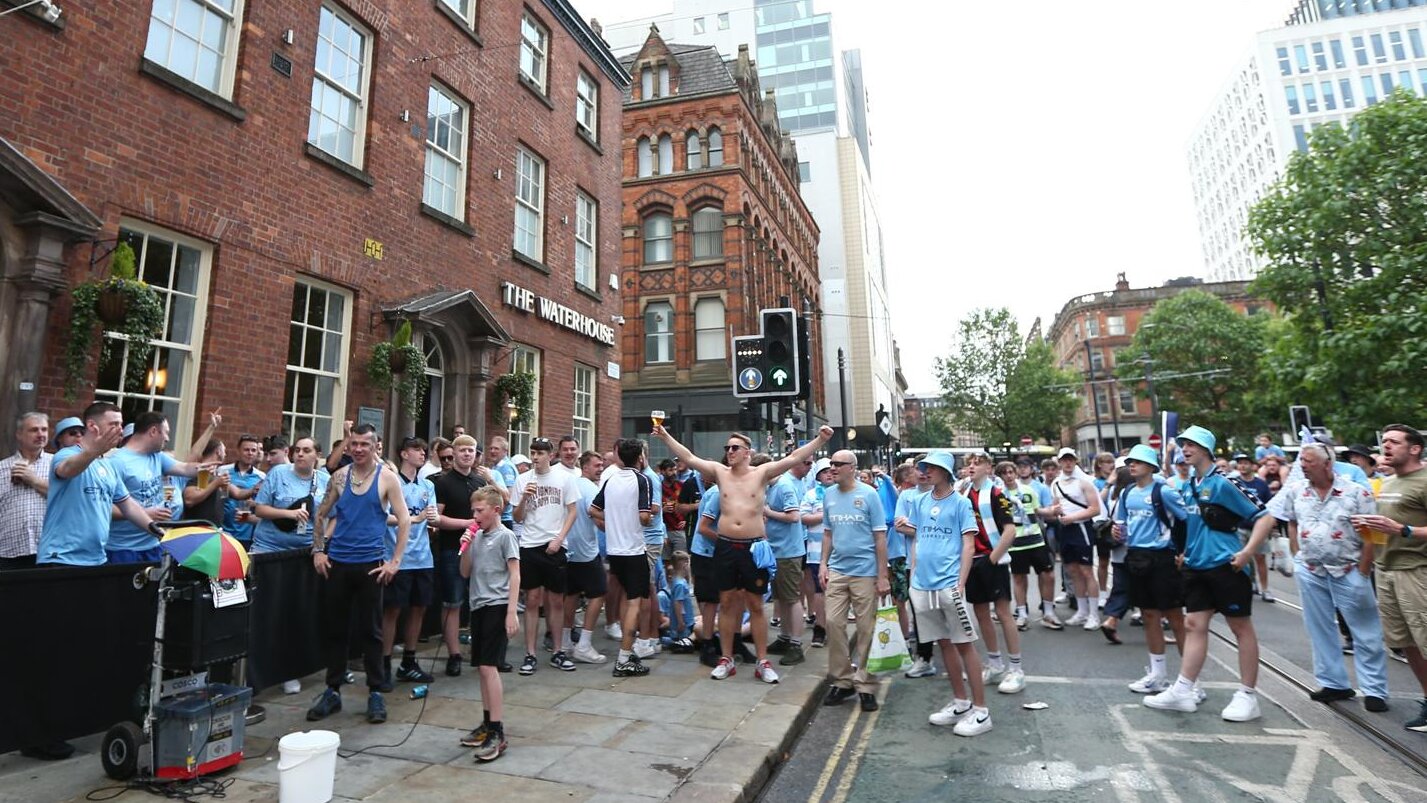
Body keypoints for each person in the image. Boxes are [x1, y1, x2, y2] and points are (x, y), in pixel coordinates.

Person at [653, 423, 834, 684]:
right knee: (727, 604)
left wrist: (820, 440)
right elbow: (689, 457)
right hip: (726, 547)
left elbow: (794, 458)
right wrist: (665, 436)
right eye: (727, 447)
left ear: (747, 452)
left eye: (735, 448)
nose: (729, 451)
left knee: (756, 605)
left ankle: (763, 661)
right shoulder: (720, 473)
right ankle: (726, 658)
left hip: (753, 547)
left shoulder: (761, 473)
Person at [1144, 425, 1267, 722]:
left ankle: (1248, 695)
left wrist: (1247, 552)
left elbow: (1264, 517)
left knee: (1240, 627)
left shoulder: (1224, 483)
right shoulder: (1189, 485)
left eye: (1191, 445)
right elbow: (1192, 525)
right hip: (1196, 566)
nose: (1185, 450)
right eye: (1183, 445)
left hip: (1227, 565)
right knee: (1193, 624)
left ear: (1206, 450)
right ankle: (1184, 690)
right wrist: (1185, 551)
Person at [1254, 442, 1387, 711]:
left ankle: (1374, 690)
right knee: (1319, 629)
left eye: (1308, 461)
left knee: (1366, 632)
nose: (1302, 465)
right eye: (1301, 460)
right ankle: (1333, 683)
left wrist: (1363, 570)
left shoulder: (1356, 492)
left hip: (1349, 569)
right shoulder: (1296, 490)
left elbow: (1372, 533)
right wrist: (1297, 555)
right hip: (1312, 570)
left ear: (1327, 464)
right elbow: (1291, 521)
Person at [306, 424, 410, 725]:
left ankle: (375, 691)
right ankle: (332, 690)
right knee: (336, 629)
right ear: (349, 446)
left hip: (371, 565)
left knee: (372, 631)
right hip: (338, 562)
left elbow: (404, 519)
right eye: (354, 444)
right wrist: (318, 551)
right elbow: (321, 513)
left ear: (376, 446)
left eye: (365, 444)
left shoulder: (387, 478)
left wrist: (395, 561)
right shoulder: (339, 477)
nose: (359, 449)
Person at [907, 452, 992, 737]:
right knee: (944, 643)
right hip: (923, 584)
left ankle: (981, 711)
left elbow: (969, 545)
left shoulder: (961, 503)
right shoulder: (920, 501)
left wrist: (960, 582)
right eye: (925, 467)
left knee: (964, 644)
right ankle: (960, 702)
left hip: (949, 584)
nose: (926, 471)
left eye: (932, 467)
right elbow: (918, 539)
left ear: (945, 471)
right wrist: (913, 575)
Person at [1355, 424, 1427, 732]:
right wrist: (1366, 528)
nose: (1386, 446)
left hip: (1416, 570)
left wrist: (1403, 530)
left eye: (1394, 442)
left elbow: (1400, 527)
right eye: (1384, 441)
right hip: (1386, 570)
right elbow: (1384, 527)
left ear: (1415, 448)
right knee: (1405, 642)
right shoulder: (1387, 481)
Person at [1113, 444, 1190, 695]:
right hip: (1136, 557)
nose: (1131, 466)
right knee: (1148, 615)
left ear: (1151, 466)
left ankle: (1191, 681)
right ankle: (1157, 675)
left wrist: (1183, 551)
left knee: (1175, 617)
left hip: (1163, 558)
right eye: (1129, 462)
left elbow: (1186, 519)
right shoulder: (1127, 493)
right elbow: (1121, 523)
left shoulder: (1164, 491)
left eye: (1137, 462)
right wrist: (1117, 531)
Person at [819, 450, 889, 711]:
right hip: (837, 570)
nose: (833, 468)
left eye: (838, 464)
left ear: (852, 467)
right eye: (831, 463)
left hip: (865, 571)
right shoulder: (829, 495)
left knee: (866, 628)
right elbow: (828, 533)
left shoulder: (869, 494)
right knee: (833, 623)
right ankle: (843, 680)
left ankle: (866, 685)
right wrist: (823, 564)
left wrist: (882, 576)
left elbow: (880, 537)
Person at [458, 486, 520, 761]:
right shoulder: (477, 537)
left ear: (496, 510)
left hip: (497, 604)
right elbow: (465, 572)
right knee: (481, 668)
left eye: (479, 511)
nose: (475, 516)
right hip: (478, 605)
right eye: (473, 510)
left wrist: (511, 612)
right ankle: (486, 723)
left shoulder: (506, 537)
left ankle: (497, 730)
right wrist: (466, 547)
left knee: (488, 666)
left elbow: (515, 574)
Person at [106, 411, 217, 563]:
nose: (167, 438)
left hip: (153, 544)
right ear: (153, 431)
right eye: (166, 432)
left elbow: (184, 468)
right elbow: (104, 507)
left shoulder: (157, 457)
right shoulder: (117, 462)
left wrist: (202, 468)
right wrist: (145, 514)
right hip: (123, 549)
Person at [590, 438, 656, 678]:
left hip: (614, 550)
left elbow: (593, 509)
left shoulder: (611, 479)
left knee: (623, 598)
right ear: (640, 457)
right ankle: (624, 658)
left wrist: (614, 521)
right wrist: (647, 515)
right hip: (634, 550)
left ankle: (627, 652)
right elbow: (644, 517)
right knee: (634, 603)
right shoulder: (642, 480)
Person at [514, 437, 579, 674]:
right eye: (533, 452)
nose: (535, 457)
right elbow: (518, 517)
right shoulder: (522, 480)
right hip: (530, 544)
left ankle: (558, 651)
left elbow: (573, 511)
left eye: (540, 453)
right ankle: (530, 653)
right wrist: (524, 498)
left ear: (550, 456)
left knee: (556, 600)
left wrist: (560, 538)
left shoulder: (564, 479)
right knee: (532, 599)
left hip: (555, 545)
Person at [379, 437, 439, 691]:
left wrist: (433, 520)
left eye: (424, 450)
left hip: (422, 556)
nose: (422, 454)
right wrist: (414, 519)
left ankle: (409, 661)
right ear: (404, 454)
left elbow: (432, 517)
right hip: (396, 556)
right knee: (392, 610)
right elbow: (383, 517)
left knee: (418, 608)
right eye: (416, 450)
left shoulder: (427, 484)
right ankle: (383, 664)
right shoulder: (390, 482)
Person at [432, 435, 495, 676]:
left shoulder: (480, 481)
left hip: (481, 549)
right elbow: (436, 518)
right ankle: (454, 654)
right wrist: (466, 523)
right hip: (452, 550)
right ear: (454, 453)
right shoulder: (443, 482)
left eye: (471, 450)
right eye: (463, 450)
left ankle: (483, 652)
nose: (467, 454)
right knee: (453, 601)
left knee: (482, 600)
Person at [963, 454, 1025, 694]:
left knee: (1002, 612)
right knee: (980, 613)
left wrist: (992, 558)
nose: (971, 466)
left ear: (989, 468)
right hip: (973, 561)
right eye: (969, 463)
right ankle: (995, 664)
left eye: (977, 463)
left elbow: (1010, 531)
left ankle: (1016, 669)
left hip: (992, 560)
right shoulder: (965, 494)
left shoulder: (997, 494)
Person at [1043, 448, 1102, 630]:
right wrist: (1054, 511)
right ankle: (1082, 611)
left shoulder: (1085, 482)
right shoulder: (1056, 484)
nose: (1068, 463)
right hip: (1065, 529)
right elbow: (1055, 506)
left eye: (1071, 459)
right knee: (1072, 570)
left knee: (1086, 571)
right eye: (1064, 460)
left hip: (1081, 528)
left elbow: (1095, 509)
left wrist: (1073, 517)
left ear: (1076, 461)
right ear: (1060, 462)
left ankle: (1094, 614)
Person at [1003, 459, 1060, 631]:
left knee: (1048, 575)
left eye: (1011, 472)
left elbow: (1037, 510)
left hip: (1035, 538)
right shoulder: (999, 495)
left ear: (1015, 473)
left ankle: (1048, 612)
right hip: (1015, 542)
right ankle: (1022, 614)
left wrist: (1052, 511)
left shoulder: (1028, 490)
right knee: (1019, 577)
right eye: (1004, 473)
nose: (1008, 476)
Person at [565, 450, 609, 665]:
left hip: (568, 550)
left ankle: (564, 642)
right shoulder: (591, 489)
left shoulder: (571, 485)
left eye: (601, 465)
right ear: (585, 467)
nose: (600, 469)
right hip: (586, 551)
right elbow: (599, 519)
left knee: (571, 595)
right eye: (596, 465)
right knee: (599, 593)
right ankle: (583, 644)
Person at [766, 457, 811, 666]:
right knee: (781, 597)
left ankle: (795, 643)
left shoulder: (784, 486)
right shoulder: (771, 487)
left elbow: (794, 516)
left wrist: (767, 512)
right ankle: (784, 637)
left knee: (791, 598)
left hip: (788, 551)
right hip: (777, 550)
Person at [895, 463, 938, 676]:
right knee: (920, 611)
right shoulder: (907, 496)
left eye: (927, 469)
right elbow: (899, 526)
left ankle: (958, 660)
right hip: (914, 563)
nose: (923, 473)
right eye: (919, 469)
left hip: (943, 564)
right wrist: (930, 529)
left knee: (945, 612)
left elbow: (950, 529)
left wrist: (915, 526)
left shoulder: (946, 496)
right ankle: (924, 658)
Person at [1, 412, 52, 569]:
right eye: (34, 430)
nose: (40, 434)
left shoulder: (57, 464)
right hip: (8, 551)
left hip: (48, 550)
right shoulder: (2, 468)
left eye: (44, 429)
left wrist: (34, 480)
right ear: (19, 434)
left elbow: (68, 498)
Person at [219, 434, 266, 546]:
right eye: (246, 450)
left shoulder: (261, 477)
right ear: (238, 451)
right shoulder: (223, 471)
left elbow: (262, 505)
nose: (250, 453)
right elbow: (219, 497)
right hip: (223, 531)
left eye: (253, 450)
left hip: (247, 535)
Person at [181, 439, 232, 527]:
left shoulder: (217, 475)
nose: (225, 454)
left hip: (214, 529)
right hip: (197, 530)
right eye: (224, 450)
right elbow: (189, 500)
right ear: (218, 451)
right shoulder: (199, 472)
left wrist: (253, 490)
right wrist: (215, 484)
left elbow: (238, 493)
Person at [659, 551, 696, 649]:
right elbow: (678, 603)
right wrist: (680, 621)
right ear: (685, 565)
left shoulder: (678, 581)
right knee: (682, 639)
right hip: (684, 621)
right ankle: (665, 641)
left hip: (685, 619)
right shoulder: (680, 584)